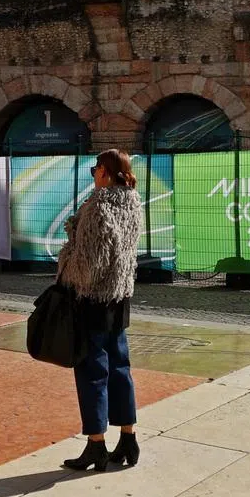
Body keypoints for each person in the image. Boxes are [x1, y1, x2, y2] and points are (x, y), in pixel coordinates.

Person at [57, 149, 144, 471]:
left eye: (95, 168)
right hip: (120, 296)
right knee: (120, 367)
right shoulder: (133, 203)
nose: (93, 174)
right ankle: (128, 438)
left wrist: (65, 258)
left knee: (92, 372)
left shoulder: (99, 207)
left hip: (93, 298)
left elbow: (87, 267)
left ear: (105, 172)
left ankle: (96, 444)